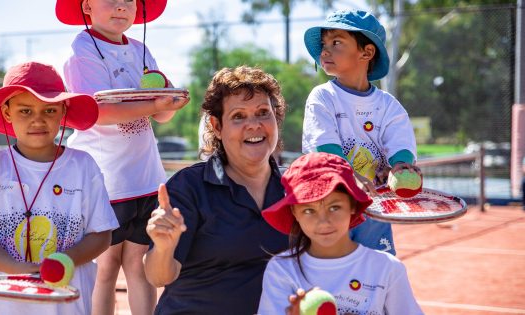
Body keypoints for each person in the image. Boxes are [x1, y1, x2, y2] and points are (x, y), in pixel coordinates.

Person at [0, 61, 119, 315]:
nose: (38, 120)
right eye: (25, 111)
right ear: (7, 112)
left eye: (49, 111)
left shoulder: (84, 167)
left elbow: (101, 235)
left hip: (68, 307)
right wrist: (24, 271)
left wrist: (63, 262)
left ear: (63, 110)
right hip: (7, 307)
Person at [55, 0, 190, 314]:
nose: (121, 6)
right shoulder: (82, 50)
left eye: (129, 0)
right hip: (106, 183)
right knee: (106, 268)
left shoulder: (141, 49)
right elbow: (99, 113)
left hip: (145, 180)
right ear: (86, 5)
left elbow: (163, 117)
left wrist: (169, 102)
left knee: (139, 266)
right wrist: (157, 102)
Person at [143, 66, 289, 314]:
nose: (253, 125)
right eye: (238, 116)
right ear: (217, 126)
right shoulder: (189, 187)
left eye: (263, 113)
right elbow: (158, 277)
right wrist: (164, 246)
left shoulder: (294, 186)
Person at [301, 10, 421, 255]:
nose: (324, 51)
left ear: (366, 52)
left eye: (336, 42)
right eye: (324, 44)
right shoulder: (322, 97)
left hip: (374, 210)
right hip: (328, 208)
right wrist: (349, 176)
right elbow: (325, 149)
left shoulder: (389, 106)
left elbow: (400, 144)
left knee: (378, 274)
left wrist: (401, 166)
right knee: (331, 280)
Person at [257, 152, 424, 314]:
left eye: (334, 207)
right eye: (309, 210)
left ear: (352, 205)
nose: (323, 221)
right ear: (294, 212)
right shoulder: (281, 271)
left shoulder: (388, 268)